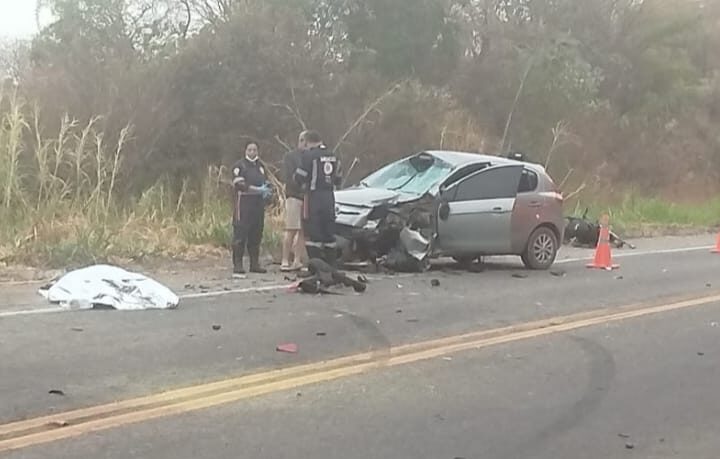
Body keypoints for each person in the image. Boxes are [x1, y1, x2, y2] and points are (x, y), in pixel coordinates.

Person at [293, 130, 342, 267]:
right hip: (329, 196)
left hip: (313, 196)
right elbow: (338, 179)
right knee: (329, 232)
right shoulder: (334, 155)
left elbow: (299, 177)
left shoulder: (309, 155)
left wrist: (300, 183)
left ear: (308, 142)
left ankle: (316, 266)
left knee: (313, 232)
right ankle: (331, 266)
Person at [231, 140, 272, 276]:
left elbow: (266, 181)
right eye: (250, 150)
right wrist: (256, 190)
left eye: (255, 150)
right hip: (243, 204)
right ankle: (238, 265)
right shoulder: (240, 165)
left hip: (258, 205)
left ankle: (254, 264)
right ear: (245, 151)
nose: (252, 152)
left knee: (256, 234)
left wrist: (266, 191)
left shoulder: (261, 166)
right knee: (240, 234)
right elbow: (240, 184)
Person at [280, 131, 309, 272]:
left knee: (303, 231)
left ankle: (297, 260)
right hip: (293, 195)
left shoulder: (311, 157)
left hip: (307, 197)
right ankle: (285, 260)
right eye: (302, 140)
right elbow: (289, 177)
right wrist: (300, 186)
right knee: (291, 229)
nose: (304, 143)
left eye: (306, 140)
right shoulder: (290, 156)